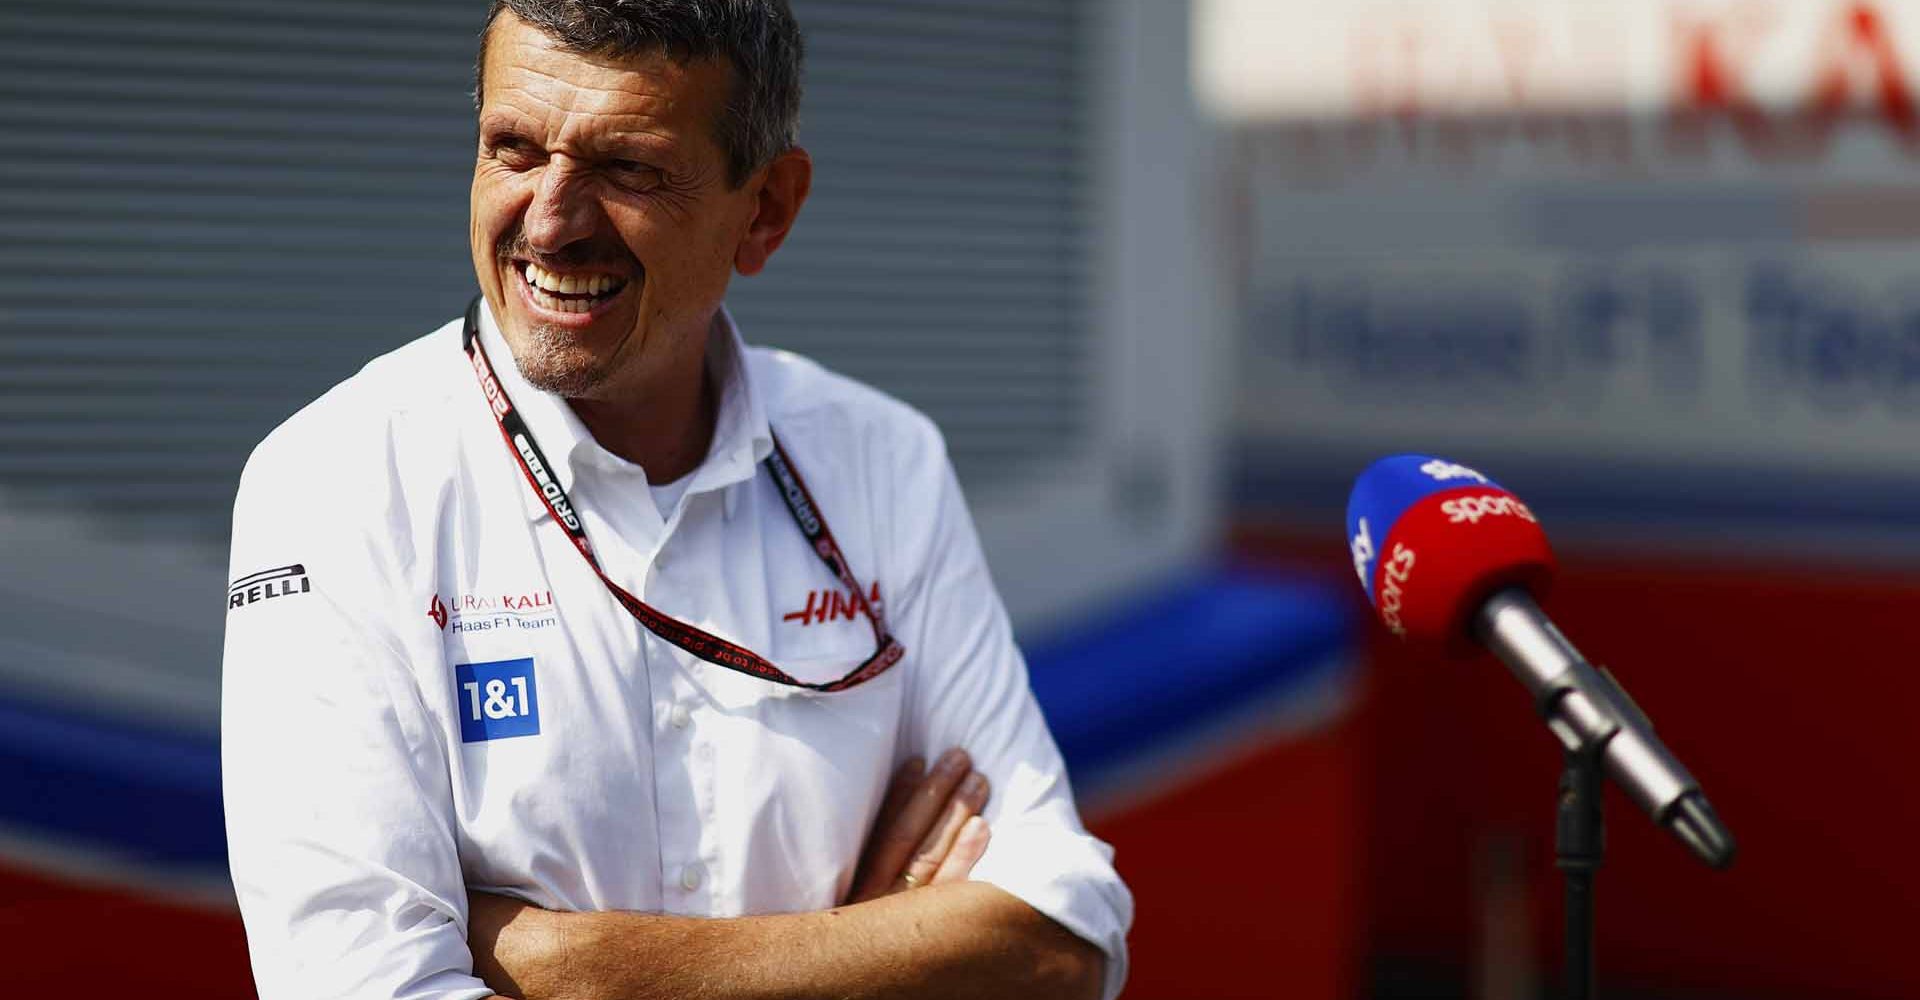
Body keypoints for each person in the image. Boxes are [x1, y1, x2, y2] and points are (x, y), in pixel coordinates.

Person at [219, 2, 1132, 997]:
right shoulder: (335, 480)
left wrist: (587, 967)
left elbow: (1060, 942)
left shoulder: (881, 457)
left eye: (628, 169)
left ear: (768, 209)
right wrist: (866, 951)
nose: (551, 223)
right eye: (513, 149)